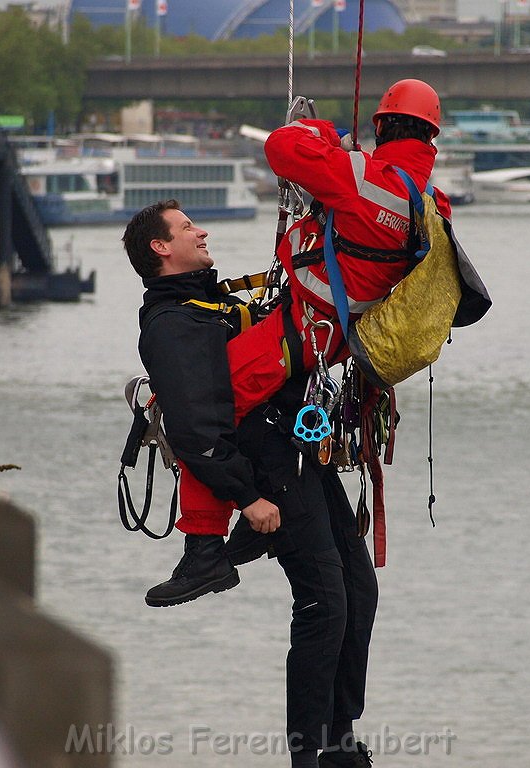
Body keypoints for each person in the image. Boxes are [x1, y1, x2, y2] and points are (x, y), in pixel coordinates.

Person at [138, 78, 456, 601]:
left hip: (302, 330)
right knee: (224, 412)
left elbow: (281, 146)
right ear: (431, 140)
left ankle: (203, 553)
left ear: (380, 126)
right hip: (335, 336)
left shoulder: (358, 174)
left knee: (201, 415)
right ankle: (243, 518)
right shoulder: (430, 201)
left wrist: (326, 134)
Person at [123, 200, 379, 767]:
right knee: (324, 602)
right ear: (160, 249)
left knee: (358, 587)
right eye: (188, 227)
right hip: (265, 464)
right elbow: (197, 429)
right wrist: (249, 497)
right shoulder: (172, 326)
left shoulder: (205, 305)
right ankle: (311, 757)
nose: (202, 230)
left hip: (288, 449)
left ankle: (339, 736)